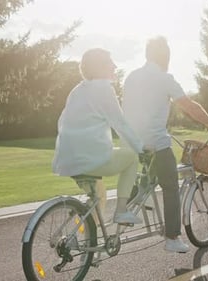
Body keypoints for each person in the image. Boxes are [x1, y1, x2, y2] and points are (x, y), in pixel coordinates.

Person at [122, 36, 208, 253]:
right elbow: (190, 106)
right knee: (170, 186)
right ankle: (172, 237)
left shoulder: (131, 76)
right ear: (165, 57)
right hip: (155, 141)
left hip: (131, 141)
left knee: (145, 180)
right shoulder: (165, 78)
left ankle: (128, 205)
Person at [52, 48, 144, 224]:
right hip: (91, 159)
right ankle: (121, 211)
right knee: (131, 157)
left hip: (68, 160)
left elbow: (62, 121)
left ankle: (90, 236)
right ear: (98, 67)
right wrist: (140, 147)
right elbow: (120, 124)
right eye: (110, 62)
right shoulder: (104, 89)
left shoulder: (77, 90)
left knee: (97, 197)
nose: (115, 66)